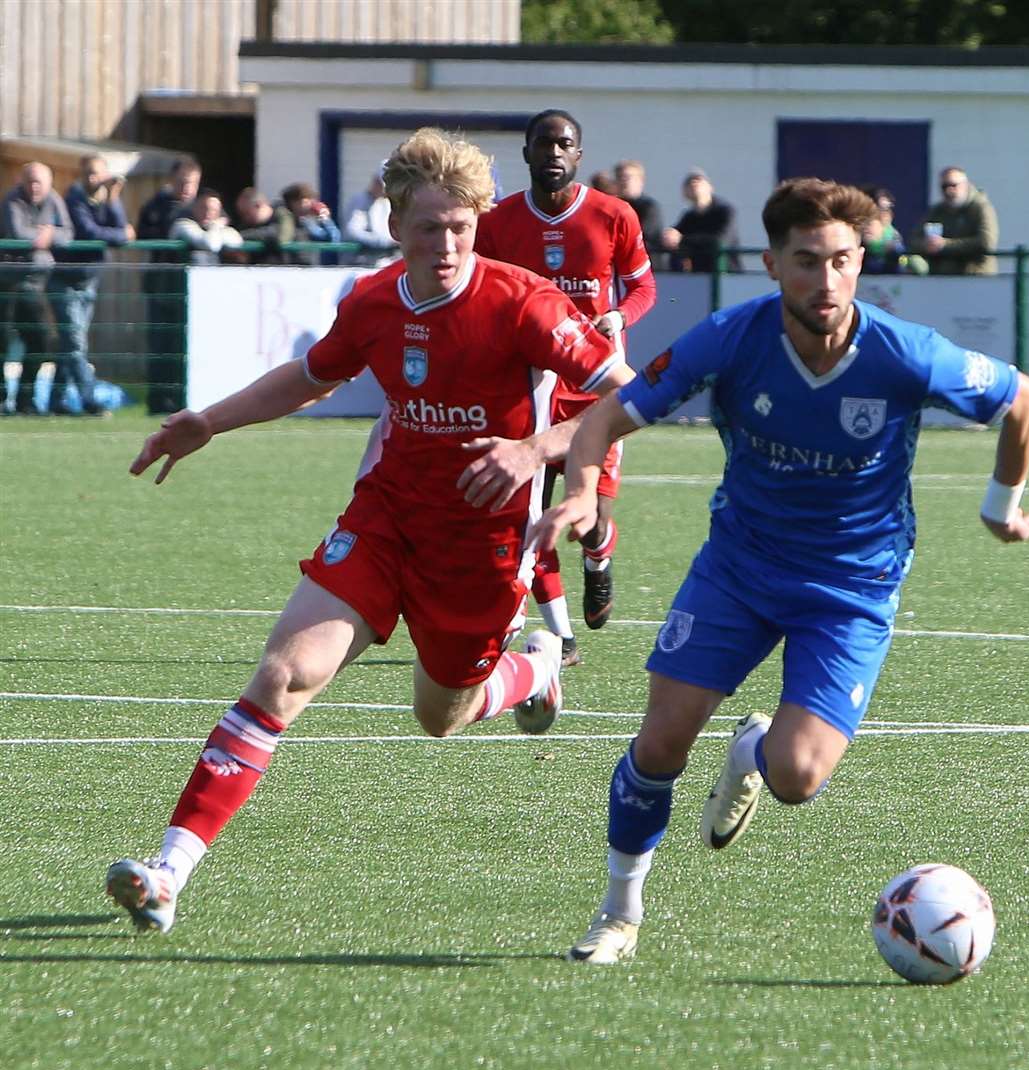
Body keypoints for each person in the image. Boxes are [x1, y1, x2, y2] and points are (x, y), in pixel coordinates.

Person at [105, 126, 634, 934]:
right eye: (429, 227)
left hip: (483, 547)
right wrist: (205, 422)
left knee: (441, 717)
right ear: (395, 227)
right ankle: (169, 871)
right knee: (283, 675)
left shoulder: (523, 302)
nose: (448, 244)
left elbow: (624, 395)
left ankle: (534, 673)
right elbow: (312, 377)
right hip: (385, 521)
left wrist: (538, 450)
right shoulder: (375, 301)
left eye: (461, 227)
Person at [530, 178, 1029, 964]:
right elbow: (606, 414)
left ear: (860, 262)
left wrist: (998, 505)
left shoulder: (904, 353)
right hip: (739, 567)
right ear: (772, 265)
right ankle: (618, 914)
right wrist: (579, 495)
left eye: (841, 260)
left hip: (851, 588)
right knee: (662, 741)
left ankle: (752, 753)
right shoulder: (729, 339)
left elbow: (1024, 398)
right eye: (806, 262)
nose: (826, 280)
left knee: (798, 777)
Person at [360, 109, 657, 665]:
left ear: (578, 154)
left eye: (563, 144)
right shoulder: (494, 222)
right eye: (542, 144)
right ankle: (560, 637)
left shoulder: (614, 215)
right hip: (532, 387)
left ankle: (598, 559)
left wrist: (619, 316)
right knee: (532, 514)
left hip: (594, 386)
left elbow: (643, 288)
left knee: (591, 521)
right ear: (525, 153)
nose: (552, 153)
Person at [47, 154, 135, 415]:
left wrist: (115, 198)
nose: (94, 179)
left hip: (88, 280)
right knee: (75, 343)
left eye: (98, 173)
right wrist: (121, 235)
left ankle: (56, 401)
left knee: (71, 343)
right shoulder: (74, 199)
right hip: (65, 281)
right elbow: (90, 232)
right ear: (81, 175)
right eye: (90, 174)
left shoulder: (103, 200)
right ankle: (89, 400)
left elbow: (118, 230)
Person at [0, 162, 72, 415]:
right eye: (30, 181)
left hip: (36, 285)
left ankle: (25, 399)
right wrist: (40, 236)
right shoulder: (12, 200)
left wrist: (49, 235)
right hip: (8, 284)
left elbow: (68, 234)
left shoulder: (54, 200)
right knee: (3, 342)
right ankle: (2, 399)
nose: (34, 187)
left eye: (39, 182)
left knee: (42, 340)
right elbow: (16, 234)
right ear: (22, 181)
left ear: (49, 183)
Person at [137, 155, 201, 413]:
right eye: (182, 182)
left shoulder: (202, 206)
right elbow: (146, 237)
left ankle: (184, 399)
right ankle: (159, 400)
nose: (186, 188)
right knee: (161, 343)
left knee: (187, 344)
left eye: (192, 183)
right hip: (162, 285)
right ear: (171, 181)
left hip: (194, 288)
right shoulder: (155, 207)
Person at [907, 167, 999, 276]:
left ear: (966, 185)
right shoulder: (937, 211)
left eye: (953, 185)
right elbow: (913, 239)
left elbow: (986, 243)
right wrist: (926, 245)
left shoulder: (982, 208)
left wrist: (945, 245)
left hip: (976, 278)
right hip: (943, 280)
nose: (949, 190)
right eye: (944, 186)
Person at [661, 168, 742, 274]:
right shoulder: (689, 217)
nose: (694, 183)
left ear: (710, 187)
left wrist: (683, 240)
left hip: (726, 277)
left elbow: (720, 240)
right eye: (689, 182)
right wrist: (668, 237)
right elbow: (675, 235)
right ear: (684, 192)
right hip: (698, 277)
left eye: (699, 179)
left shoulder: (725, 211)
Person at [614, 159, 666, 270]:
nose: (623, 181)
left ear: (640, 181)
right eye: (619, 177)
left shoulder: (649, 207)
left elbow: (643, 235)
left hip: (645, 267)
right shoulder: (612, 207)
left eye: (628, 177)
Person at [168, 189, 244, 264]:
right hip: (181, 274)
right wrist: (216, 226)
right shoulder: (183, 225)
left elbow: (238, 241)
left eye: (213, 210)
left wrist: (216, 229)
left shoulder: (217, 229)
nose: (207, 213)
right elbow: (211, 245)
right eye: (203, 207)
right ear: (195, 208)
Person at [342, 172, 396, 266]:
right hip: (362, 262)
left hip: (385, 261)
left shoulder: (386, 203)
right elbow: (352, 232)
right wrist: (385, 241)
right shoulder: (359, 201)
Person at [280, 181, 341, 265]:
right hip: (282, 267)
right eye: (303, 202)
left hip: (304, 268)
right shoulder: (282, 219)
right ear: (292, 203)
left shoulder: (306, 223)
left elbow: (332, 238)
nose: (308, 205)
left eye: (309, 201)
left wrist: (325, 219)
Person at [232, 187, 294, 264]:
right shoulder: (246, 225)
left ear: (258, 205)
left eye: (246, 213)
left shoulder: (283, 217)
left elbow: (278, 236)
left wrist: (239, 236)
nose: (245, 218)